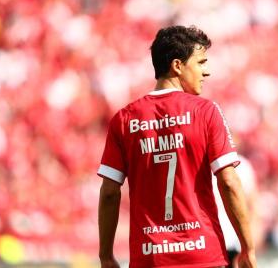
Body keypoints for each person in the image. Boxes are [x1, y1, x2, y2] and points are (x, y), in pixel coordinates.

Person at [97, 25, 257, 268]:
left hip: (149, 258)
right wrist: (247, 247)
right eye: (201, 62)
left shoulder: (124, 120)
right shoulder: (205, 112)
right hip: (202, 256)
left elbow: (109, 193)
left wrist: (106, 255)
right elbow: (229, 182)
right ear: (177, 66)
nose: (207, 71)